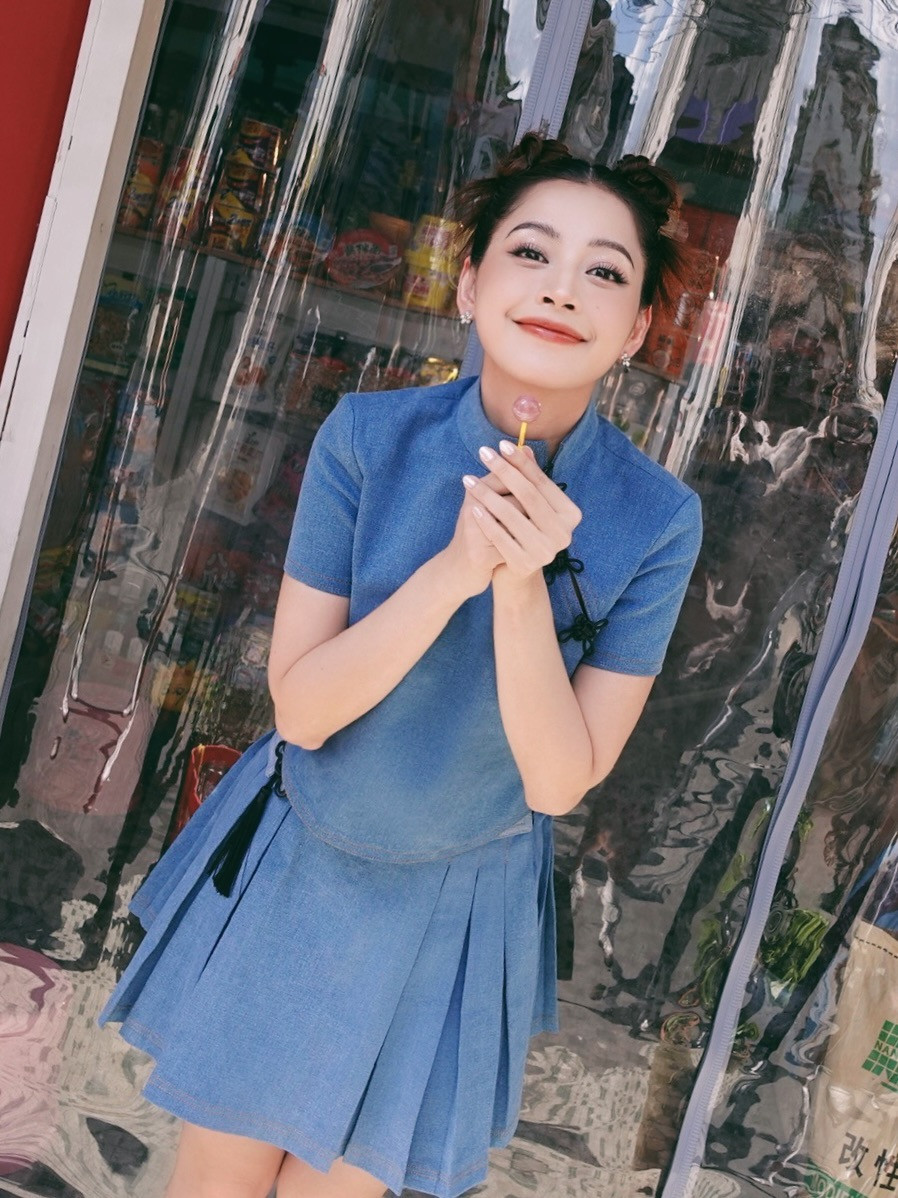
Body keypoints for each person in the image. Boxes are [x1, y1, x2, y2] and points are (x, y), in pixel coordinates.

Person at [98, 132, 703, 1198]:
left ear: (638, 329)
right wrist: (456, 567)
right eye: (530, 253)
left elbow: (558, 778)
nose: (561, 289)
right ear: (467, 284)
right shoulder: (367, 438)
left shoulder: (656, 517)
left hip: (456, 901)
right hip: (305, 855)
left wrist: (523, 588)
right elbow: (304, 710)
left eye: (605, 272)